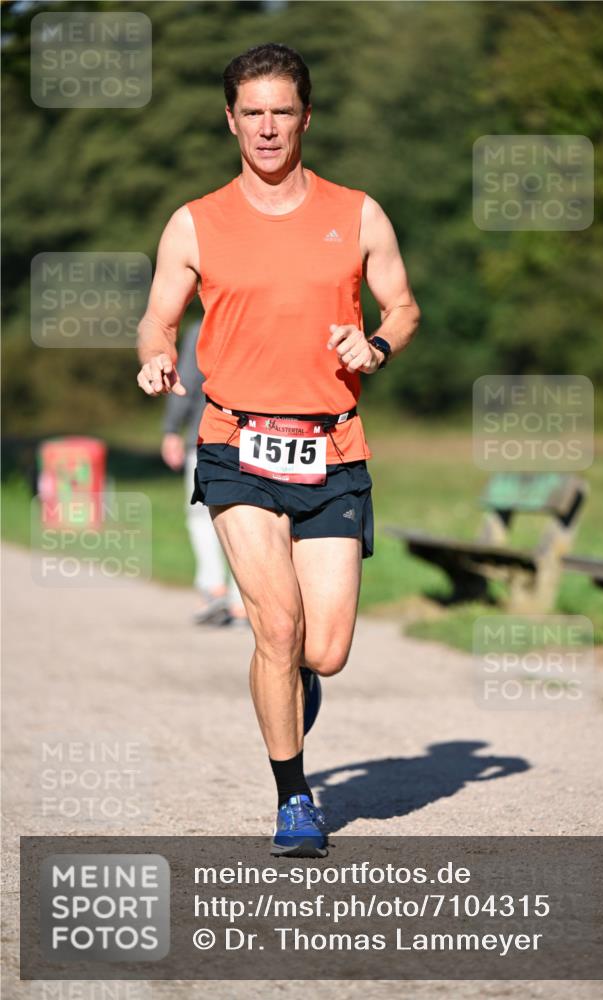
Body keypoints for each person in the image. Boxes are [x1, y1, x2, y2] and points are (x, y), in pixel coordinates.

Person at [136, 43, 419, 856]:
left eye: (281, 111)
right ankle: (294, 798)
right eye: (251, 112)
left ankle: (288, 688)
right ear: (230, 119)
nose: (267, 127)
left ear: (306, 117)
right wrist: (155, 353)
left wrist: (376, 346)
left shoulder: (356, 212)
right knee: (276, 625)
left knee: (322, 651)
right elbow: (157, 315)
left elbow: (402, 305)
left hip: (331, 451)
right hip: (234, 443)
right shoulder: (195, 221)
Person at [160, 320, 248, 626]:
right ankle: (242, 600)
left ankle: (214, 589)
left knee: (201, 516)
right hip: (257, 439)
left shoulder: (205, 328)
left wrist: (172, 429)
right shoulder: (265, 319)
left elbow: (186, 384)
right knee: (251, 519)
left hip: (206, 436)